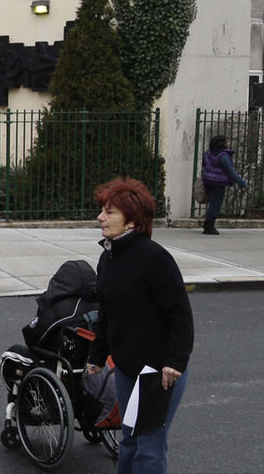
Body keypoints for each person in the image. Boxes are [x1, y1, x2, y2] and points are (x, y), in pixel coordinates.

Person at [85, 178, 194, 474]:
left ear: (132, 221)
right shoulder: (108, 258)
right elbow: (106, 313)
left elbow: (180, 315)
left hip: (159, 371)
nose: (100, 217)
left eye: (109, 212)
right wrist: (97, 356)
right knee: (129, 440)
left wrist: (175, 361)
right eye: (102, 211)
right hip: (126, 367)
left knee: (149, 445)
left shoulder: (155, 259)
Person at [200, 134, 248, 235]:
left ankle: (208, 224)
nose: (228, 143)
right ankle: (209, 226)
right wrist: (242, 183)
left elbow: (205, 165)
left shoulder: (207, 153)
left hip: (207, 180)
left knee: (212, 203)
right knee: (215, 204)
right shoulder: (223, 156)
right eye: (226, 141)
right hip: (218, 182)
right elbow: (231, 172)